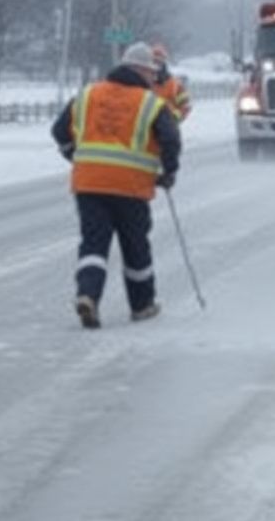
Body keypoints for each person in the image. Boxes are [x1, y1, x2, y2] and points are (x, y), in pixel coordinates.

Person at [52, 41, 182, 329]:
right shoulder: (151, 103)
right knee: (135, 246)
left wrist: (76, 157)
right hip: (130, 187)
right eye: (151, 72)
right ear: (139, 70)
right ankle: (142, 306)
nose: (154, 78)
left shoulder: (87, 94)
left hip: (89, 184)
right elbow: (171, 139)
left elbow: (59, 130)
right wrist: (169, 172)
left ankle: (88, 295)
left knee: (94, 243)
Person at [150, 43, 192, 122]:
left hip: (167, 130)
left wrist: (173, 118)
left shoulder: (174, 83)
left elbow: (185, 105)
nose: (156, 64)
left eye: (159, 61)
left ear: (164, 61)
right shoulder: (143, 82)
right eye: (154, 61)